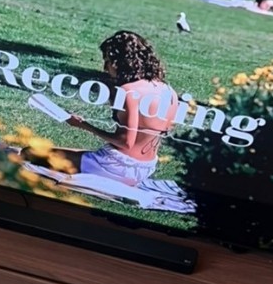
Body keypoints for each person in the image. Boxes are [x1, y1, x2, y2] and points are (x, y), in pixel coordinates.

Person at [31, 30, 179, 190]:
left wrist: (83, 125)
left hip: (114, 168)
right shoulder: (169, 91)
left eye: (108, 61)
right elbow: (166, 128)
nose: (105, 68)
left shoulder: (129, 91)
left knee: (30, 152)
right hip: (144, 169)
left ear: (121, 61)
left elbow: (126, 142)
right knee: (73, 152)